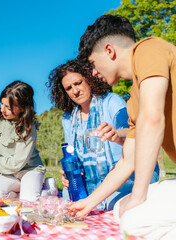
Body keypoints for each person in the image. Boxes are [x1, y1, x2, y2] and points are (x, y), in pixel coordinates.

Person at [68, 14, 176, 239]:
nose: (94, 73)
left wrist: (138, 196)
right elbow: (128, 160)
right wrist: (89, 203)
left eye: (93, 64)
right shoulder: (135, 97)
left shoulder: (149, 49)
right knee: (120, 209)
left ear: (109, 50)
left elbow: (153, 119)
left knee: (134, 219)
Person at [47, 58, 159, 210]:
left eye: (78, 83)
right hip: (86, 182)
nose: (75, 91)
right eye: (68, 88)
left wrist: (117, 134)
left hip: (123, 179)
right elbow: (71, 154)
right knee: (67, 204)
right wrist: (67, 175)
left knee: (116, 207)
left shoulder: (111, 101)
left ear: (89, 79)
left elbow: (134, 133)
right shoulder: (68, 118)